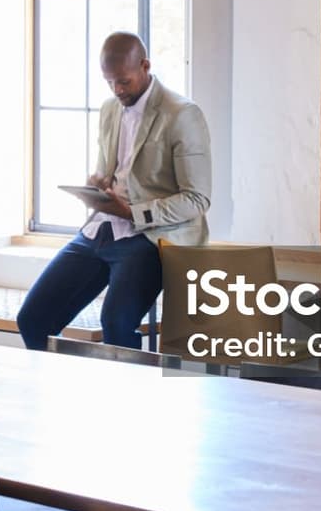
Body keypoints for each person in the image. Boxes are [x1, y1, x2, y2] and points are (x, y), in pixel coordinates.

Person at [15, 32, 212, 351]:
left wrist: (134, 212)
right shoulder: (110, 109)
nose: (117, 90)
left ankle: (134, 398)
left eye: (124, 81)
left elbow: (197, 199)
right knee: (33, 319)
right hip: (101, 230)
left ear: (145, 66)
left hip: (151, 238)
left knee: (116, 325)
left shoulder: (182, 114)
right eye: (110, 83)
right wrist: (98, 188)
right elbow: (114, 173)